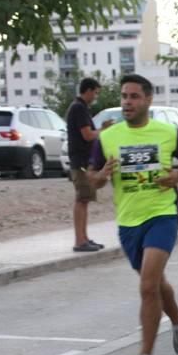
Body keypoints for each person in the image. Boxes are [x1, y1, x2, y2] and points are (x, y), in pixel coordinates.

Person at [88, 74, 178, 355]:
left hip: (162, 215)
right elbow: (91, 178)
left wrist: (176, 178)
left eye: (134, 96)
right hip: (128, 221)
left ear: (148, 100)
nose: (127, 102)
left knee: (148, 286)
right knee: (156, 285)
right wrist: (100, 176)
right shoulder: (108, 137)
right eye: (124, 96)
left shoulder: (167, 132)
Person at [66, 77, 106, 252]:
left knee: (85, 199)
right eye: (96, 93)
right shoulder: (79, 108)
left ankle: (84, 237)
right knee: (82, 199)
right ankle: (80, 240)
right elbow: (88, 135)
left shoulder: (80, 108)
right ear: (88, 90)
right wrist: (104, 130)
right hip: (81, 161)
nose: (96, 97)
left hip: (83, 160)